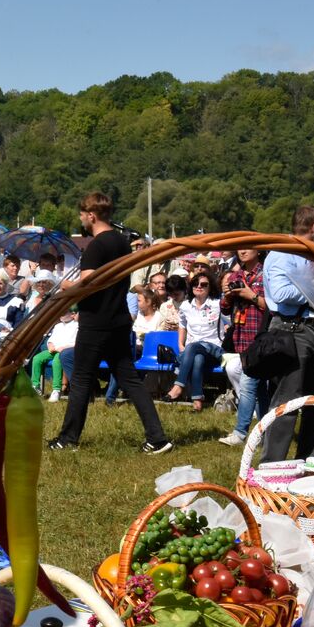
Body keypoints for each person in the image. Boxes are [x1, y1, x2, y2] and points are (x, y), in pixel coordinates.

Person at [49, 192, 171, 453]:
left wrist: (66, 285)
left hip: (96, 321)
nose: (81, 219)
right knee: (130, 379)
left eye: (82, 215)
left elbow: (90, 283)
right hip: (118, 320)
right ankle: (158, 438)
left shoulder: (97, 246)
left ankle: (67, 439)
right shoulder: (121, 243)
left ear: (91, 215)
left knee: (81, 379)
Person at [260, 205, 314, 461]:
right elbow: (280, 293)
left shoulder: (306, 255)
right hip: (290, 331)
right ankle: (272, 467)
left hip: (312, 330)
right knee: (287, 402)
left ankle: (308, 462)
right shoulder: (282, 253)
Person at [217, 249, 268, 446]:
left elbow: (271, 306)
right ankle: (266, 431)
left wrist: (250, 295)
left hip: (260, 338)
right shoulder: (236, 275)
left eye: (248, 247)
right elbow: (224, 308)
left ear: (259, 250)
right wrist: (229, 297)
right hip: (241, 337)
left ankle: (240, 433)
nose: (242, 251)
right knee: (260, 388)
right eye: (240, 248)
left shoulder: (266, 274)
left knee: (248, 386)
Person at [165, 272, 224, 411]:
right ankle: (197, 400)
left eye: (204, 284)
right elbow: (182, 325)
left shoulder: (218, 304)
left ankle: (178, 386)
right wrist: (180, 344)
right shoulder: (186, 306)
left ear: (210, 287)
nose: (199, 286)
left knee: (193, 347)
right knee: (197, 358)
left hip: (214, 348)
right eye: (196, 284)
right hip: (194, 351)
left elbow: (229, 321)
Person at [31, 308, 78, 401]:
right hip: (54, 349)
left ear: (72, 314)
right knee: (37, 358)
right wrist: (50, 344)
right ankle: (35, 385)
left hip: (65, 351)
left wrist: (65, 347)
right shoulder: (58, 326)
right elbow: (52, 338)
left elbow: (77, 342)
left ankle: (56, 389)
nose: (61, 314)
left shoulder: (77, 326)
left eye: (64, 312)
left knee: (57, 362)